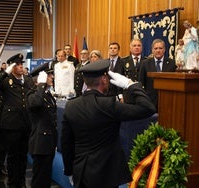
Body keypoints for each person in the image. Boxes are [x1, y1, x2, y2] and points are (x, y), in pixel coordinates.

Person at [61, 59, 156, 188]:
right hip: (107, 173)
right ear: (104, 80)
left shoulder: (71, 106)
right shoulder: (109, 105)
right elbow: (148, 108)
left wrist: (69, 170)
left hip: (82, 170)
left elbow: (66, 143)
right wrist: (131, 85)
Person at [0, 53, 35, 188]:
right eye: (17, 65)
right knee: (13, 156)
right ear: (12, 67)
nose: (20, 67)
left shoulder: (28, 80)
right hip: (11, 124)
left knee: (23, 155)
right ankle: (13, 182)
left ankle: (22, 180)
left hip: (26, 123)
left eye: (21, 65)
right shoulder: (6, 80)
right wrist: (3, 72)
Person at [26, 62, 57, 188]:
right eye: (49, 75)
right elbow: (36, 103)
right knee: (39, 179)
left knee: (45, 177)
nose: (52, 77)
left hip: (48, 142)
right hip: (40, 143)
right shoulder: (32, 95)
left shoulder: (47, 94)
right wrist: (41, 85)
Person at [139, 39, 177, 110]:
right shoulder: (145, 63)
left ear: (164, 49)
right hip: (150, 101)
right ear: (152, 50)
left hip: (167, 99)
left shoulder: (172, 63)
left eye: (160, 48)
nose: (158, 50)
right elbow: (141, 82)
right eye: (156, 48)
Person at [121, 38, 147, 103]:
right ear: (130, 48)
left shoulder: (147, 61)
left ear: (142, 48)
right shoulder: (123, 61)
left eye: (139, 45)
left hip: (143, 94)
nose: (137, 47)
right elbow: (120, 78)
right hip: (127, 94)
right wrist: (120, 95)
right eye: (134, 46)